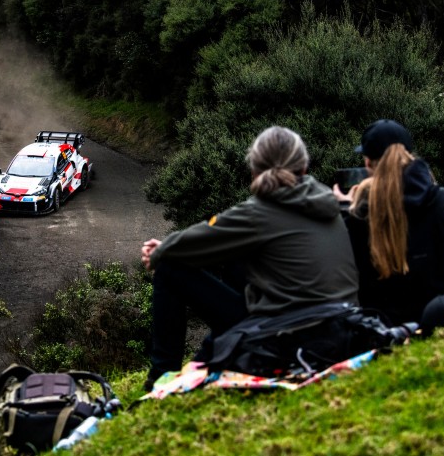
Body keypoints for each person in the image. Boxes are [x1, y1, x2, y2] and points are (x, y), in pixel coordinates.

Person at [141, 126, 359, 390]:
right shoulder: (328, 205)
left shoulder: (261, 213)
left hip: (289, 339)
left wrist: (160, 251)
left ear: (255, 170)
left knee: (169, 268)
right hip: (343, 331)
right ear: (304, 167)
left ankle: (160, 380)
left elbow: (193, 241)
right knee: (237, 261)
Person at [332, 119, 444, 326]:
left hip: (386, 323)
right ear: (409, 154)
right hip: (441, 313)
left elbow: (356, 274)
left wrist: (347, 210)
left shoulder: (361, 214)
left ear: (368, 163)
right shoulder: (439, 200)